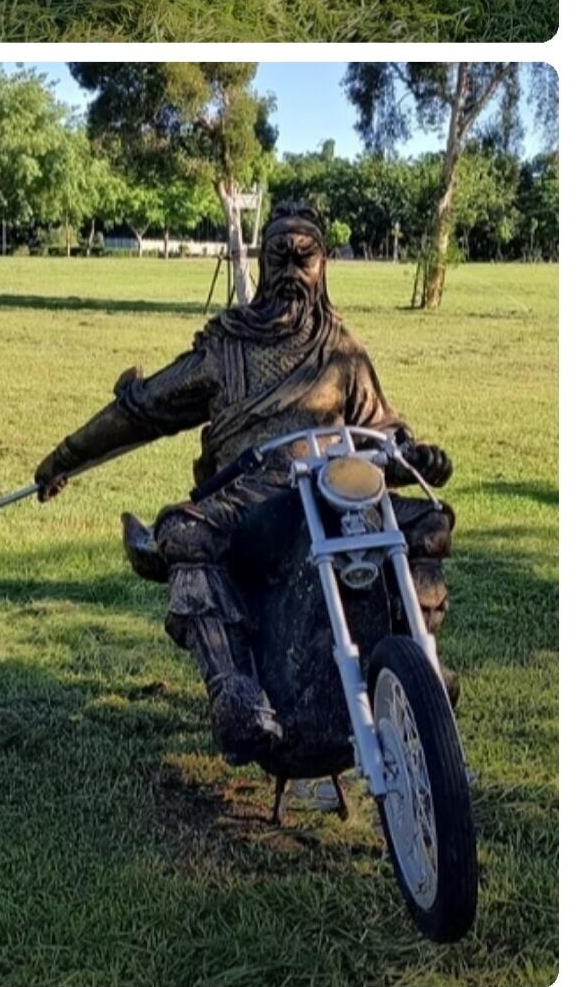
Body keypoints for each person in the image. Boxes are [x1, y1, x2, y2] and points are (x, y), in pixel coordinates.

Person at [33, 202, 453, 762]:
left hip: (329, 491)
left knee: (425, 526)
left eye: (304, 258)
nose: (291, 273)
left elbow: (382, 429)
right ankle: (232, 690)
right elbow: (143, 408)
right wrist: (67, 456)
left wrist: (412, 455)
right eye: (277, 257)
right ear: (260, 263)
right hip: (248, 497)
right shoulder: (225, 348)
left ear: (323, 267)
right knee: (183, 533)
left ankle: (422, 664)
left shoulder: (342, 350)